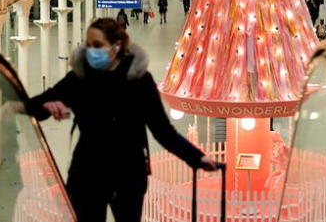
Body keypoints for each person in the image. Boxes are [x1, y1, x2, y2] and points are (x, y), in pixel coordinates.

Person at [23, 18, 219, 222]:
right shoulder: (79, 78)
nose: (91, 51)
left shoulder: (139, 82)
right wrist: (47, 106)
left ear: (116, 46)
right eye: (88, 45)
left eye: (97, 45)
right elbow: (34, 105)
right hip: (87, 173)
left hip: (128, 175)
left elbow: (163, 131)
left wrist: (196, 158)